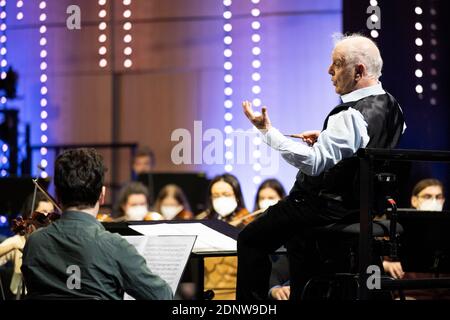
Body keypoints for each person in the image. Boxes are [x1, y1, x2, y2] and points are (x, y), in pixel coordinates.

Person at [236, 33, 406, 300]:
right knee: (296, 238)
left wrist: (269, 132)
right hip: (358, 205)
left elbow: (315, 164)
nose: (329, 71)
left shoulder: (350, 115)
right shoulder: (395, 108)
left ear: (359, 71)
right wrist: (327, 139)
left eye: (337, 64)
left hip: (321, 206)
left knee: (250, 239)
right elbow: (370, 147)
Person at [21, 148, 172, 300]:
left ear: (58, 196)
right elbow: (162, 296)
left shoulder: (34, 243)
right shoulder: (114, 246)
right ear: (102, 195)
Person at [383, 178, 448, 299]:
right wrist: (385, 264)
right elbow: (374, 263)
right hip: (409, 295)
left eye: (438, 197)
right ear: (414, 200)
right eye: (427, 196)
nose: (434, 201)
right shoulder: (397, 228)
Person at [196, 173, 252, 300]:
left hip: (237, 295)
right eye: (216, 196)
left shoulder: (249, 225)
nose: (220, 199)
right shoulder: (205, 225)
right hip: (207, 293)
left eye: (226, 194)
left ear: (237, 196)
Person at [0, 192, 55, 298]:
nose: (48, 218)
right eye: (44, 212)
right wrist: (13, 246)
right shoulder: (19, 241)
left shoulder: (55, 241)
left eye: (51, 213)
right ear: (31, 215)